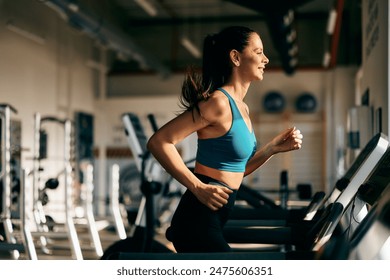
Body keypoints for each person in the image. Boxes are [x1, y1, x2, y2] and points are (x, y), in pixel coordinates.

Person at [147, 26, 303, 253]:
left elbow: (236, 172)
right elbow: (159, 141)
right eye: (258, 52)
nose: (266, 59)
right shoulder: (219, 103)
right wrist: (198, 187)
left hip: (217, 217)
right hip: (197, 221)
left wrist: (271, 149)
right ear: (236, 57)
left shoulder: (243, 108)